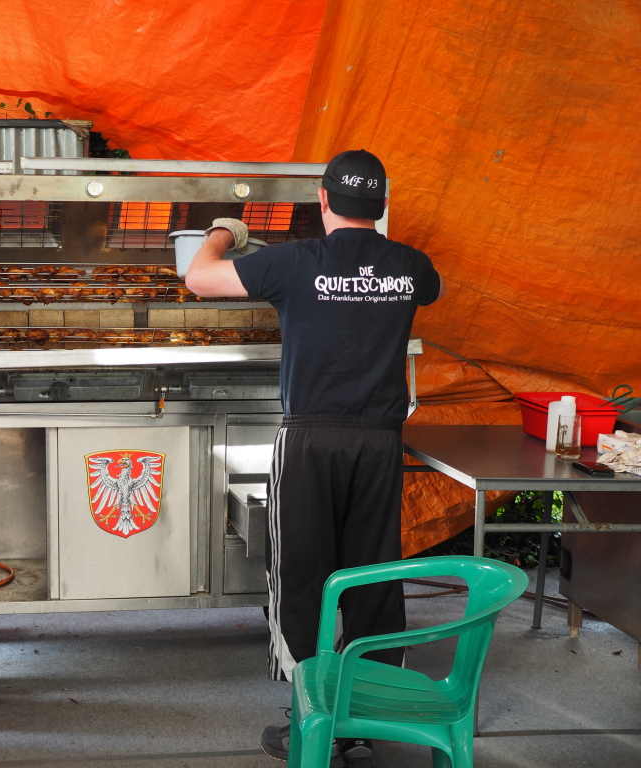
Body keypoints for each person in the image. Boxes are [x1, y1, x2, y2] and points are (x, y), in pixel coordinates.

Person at [185, 149, 445, 768]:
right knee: (373, 574)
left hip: (309, 440)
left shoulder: (294, 262)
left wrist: (225, 231)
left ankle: (312, 716)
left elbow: (198, 278)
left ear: (322, 201)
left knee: (302, 574)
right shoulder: (412, 266)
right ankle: (363, 714)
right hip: (379, 443)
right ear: (382, 206)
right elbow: (428, 289)